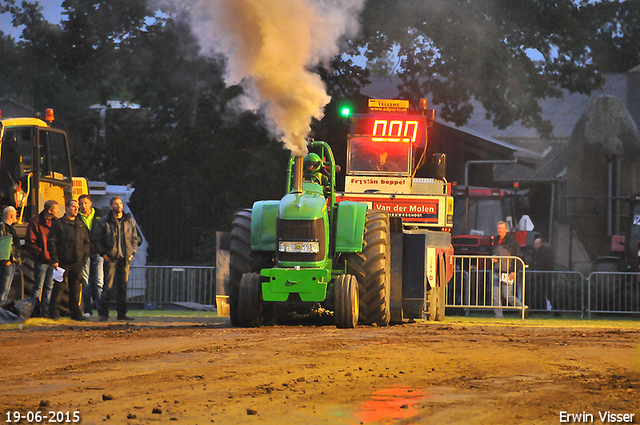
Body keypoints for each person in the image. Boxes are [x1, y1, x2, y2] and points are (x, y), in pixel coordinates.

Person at [94, 196, 138, 322]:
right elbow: (96, 239)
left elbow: (134, 238)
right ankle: (103, 314)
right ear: (111, 206)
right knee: (107, 286)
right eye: (115, 204)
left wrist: (131, 253)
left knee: (123, 287)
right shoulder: (104, 222)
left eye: (120, 203)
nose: (118, 206)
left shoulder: (129, 221)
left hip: (125, 259)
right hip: (110, 258)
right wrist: (104, 254)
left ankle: (122, 314)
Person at [48, 199, 91, 321]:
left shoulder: (81, 224)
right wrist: (55, 259)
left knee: (75, 288)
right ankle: (54, 314)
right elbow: (52, 242)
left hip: (77, 262)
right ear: (66, 208)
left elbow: (87, 242)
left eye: (77, 207)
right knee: (59, 288)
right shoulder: (59, 224)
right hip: (62, 262)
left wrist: (84, 258)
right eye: (73, 207)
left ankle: (76, 314)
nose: (76, 209)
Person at [25, 200, 59, 318]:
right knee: (38, 286)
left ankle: (45, 311)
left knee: (49, 285)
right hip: (42, 260)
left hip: (52, 260)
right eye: (56, 208)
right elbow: (31, 241)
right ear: (49, 211)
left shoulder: (56, 222)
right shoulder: (36, 222)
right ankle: (34, 311)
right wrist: (40, 254)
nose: (58, 211)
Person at [491, 221, 524, 318]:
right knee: (495, 296)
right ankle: (498, 316)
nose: (500, 230)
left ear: (506, 230)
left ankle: (522, 308)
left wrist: (514, 271)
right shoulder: (494, 241)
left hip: (507, 272)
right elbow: (491, 252)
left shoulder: (512, 242)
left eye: (502, 228)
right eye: (498, 228)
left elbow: (517, 257)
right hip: (496, 271)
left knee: (507, 295)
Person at [78, 194, 103, 317]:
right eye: (81, 203)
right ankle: (88, 310)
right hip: (84, 254)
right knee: (86, 282)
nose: (84, 206)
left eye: (85, 203)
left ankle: (100, 309)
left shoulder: (100, 216)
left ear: (90, 203)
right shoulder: (77, 218)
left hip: (98, 253)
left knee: (98, 282)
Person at [0, 206, 22, 303]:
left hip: (11, 261)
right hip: (7, 262)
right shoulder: (3, 227)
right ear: (12, 215)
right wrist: (6, 260)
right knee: (4, 289)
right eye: (15, 215)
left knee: (7, 289)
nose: (16, 216)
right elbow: (4, 245)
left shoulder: (10, 227)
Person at [530, 238, 555, 310]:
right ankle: (537, 309)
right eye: (535, 244)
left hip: (543, 275)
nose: (535, 245)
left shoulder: (543, 252)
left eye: (537, 244)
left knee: (546, 292)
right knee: (542, 292)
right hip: (542, 275)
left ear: (541, 244)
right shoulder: (540, 251)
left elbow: (542, 263)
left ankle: (532, 309)